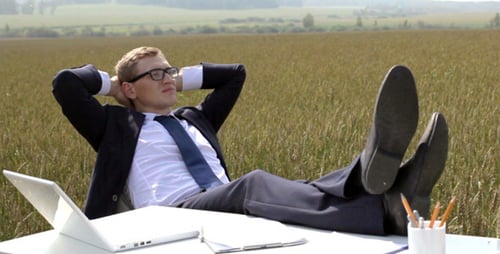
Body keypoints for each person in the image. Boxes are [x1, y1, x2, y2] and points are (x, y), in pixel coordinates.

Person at [52, 46, 449, 236]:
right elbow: (66, 84)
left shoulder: (195, 119)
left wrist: (173, 77)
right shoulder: (114, 126)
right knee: (253, 184)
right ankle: (380, 200)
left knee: (310, 186)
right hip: (169, 214)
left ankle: (392, 192)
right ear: (130, 89)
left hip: (217, 200)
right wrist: (113, 87)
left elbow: (235, 75)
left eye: (170, 70)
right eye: (155, 75)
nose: (168, 78)